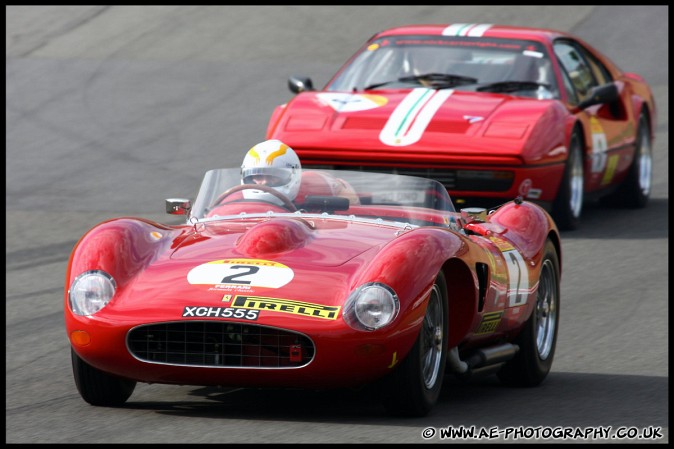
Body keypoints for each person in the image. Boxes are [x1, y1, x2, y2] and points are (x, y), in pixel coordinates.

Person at [240, 139, 302, 206]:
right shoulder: (232, 205)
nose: (264, 182)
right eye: (258, 176)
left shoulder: (307, 212)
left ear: (294, 175)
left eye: (272, 176)